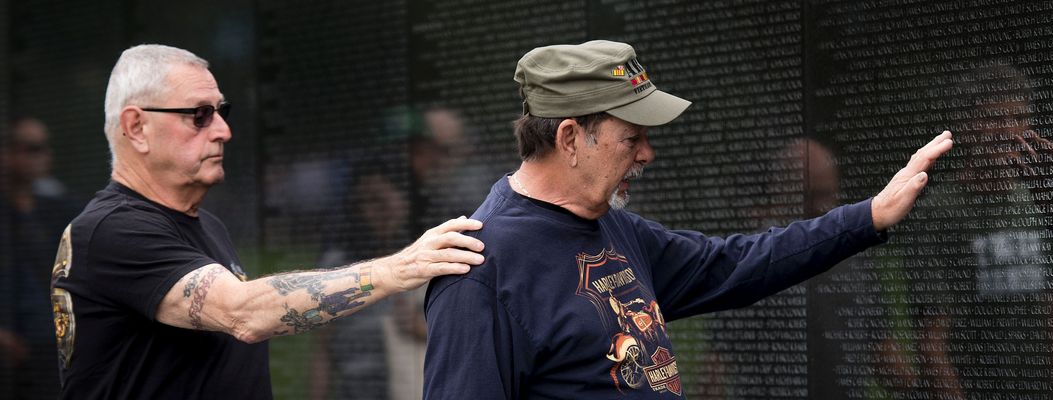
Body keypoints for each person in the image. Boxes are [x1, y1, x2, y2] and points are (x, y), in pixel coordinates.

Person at [423, 40, 953, 399]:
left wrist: (867, 216)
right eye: (632, 138)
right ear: (570, 138)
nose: (647, 154)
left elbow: (735, 263)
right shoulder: (479, 271)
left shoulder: (614, 226)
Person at [50, 44, 485, 399]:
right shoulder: (112, 230)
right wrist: (398, 270)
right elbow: (243, 313)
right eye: (199, 115)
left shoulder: (206, 226)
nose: (222, 131)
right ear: (136, 127)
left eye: (221, 112)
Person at [1, 117, 78, 400]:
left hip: (52, 346)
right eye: (33, 148)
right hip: (14, 352)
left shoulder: (56, 208)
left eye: (44, 147)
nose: (43, 155)